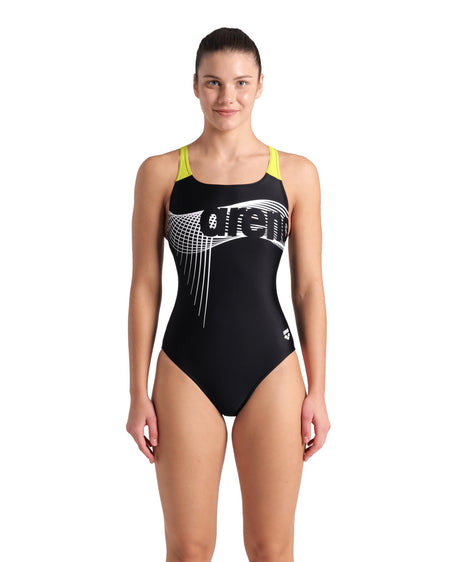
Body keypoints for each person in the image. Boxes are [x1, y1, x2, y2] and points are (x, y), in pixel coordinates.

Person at [126, 27, 330, 562]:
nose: (227, 97)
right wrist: (137, 392)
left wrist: (318, 390)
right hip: (186, 368)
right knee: (189, 550)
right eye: (213, 82)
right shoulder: (160, 173)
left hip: (272, 368)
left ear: (260, 85)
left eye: (241, 82)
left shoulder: (296, 174)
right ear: (195, 85)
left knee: (271, 549)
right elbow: (145, 285)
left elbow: (309, 288)